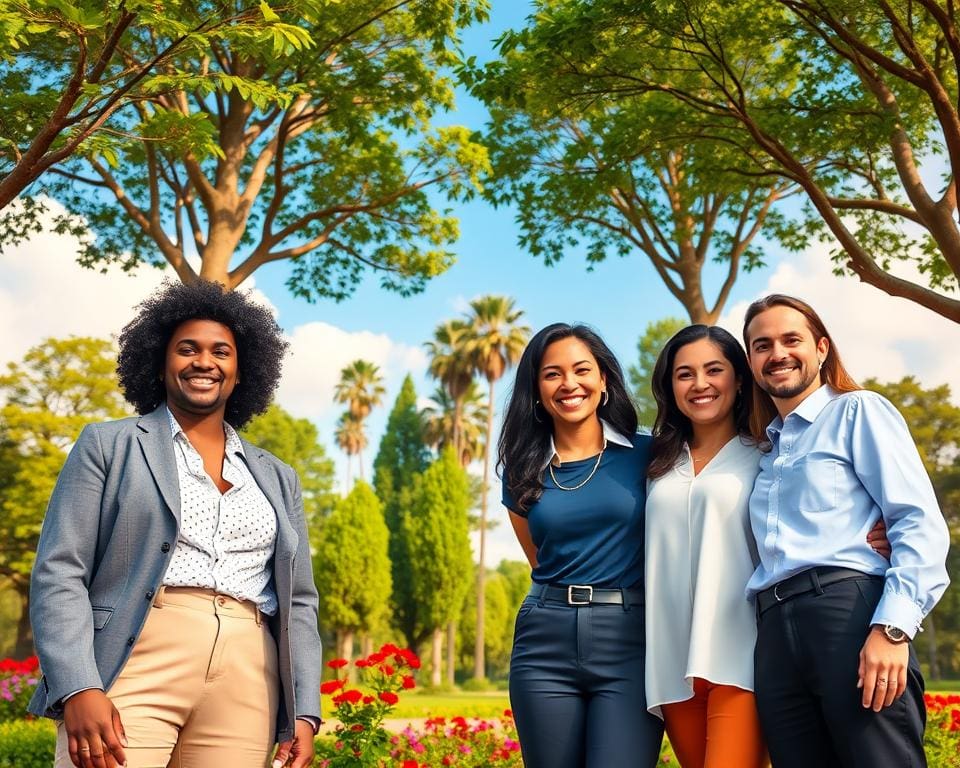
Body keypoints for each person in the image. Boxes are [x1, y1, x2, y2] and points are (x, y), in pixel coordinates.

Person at [29, 280, 321, 768]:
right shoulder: (108, 445)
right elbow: (60, 569)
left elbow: (300, 601)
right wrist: (78, 684)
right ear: (161, 363)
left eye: (220, 352)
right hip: (135, 656)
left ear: (240, 370)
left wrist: (305, 713)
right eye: (187, 349)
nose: (203, 362)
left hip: (250, 670)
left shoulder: (278, 476)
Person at [742, 293, 950, 768]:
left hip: (847, 614)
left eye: (791, 339)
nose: (777, 353)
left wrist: (892, 629)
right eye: (762, 344)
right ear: (751, 361)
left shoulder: (857, 411)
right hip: (774, 633)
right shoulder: (765, 451)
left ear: (821, 348)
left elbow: (917, 519)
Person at [498, 323, 664, 768]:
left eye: (581, 370)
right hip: (543, 639)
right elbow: (540, 559)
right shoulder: (521, 468)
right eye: (552, 374)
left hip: (631, 639)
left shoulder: (650, 453)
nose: (569, 384)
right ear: (536, 389)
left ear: (604, 380)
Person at [644, 325, 768, 768]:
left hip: (742, 660)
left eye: (714, 370)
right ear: (669, 386)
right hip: (670, 663)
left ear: (738, 380)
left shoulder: (769, 454)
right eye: (684, 374)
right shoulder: (654, 461)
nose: (700, 384)